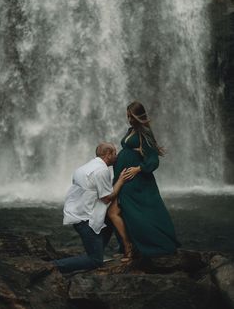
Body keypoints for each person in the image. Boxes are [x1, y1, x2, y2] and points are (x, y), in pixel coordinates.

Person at [109, 101, 180, 260]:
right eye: (127, 115)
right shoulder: (132, 130)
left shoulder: (145, 132)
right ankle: (130, 247)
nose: (128, 119)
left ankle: (140, 247)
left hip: (136, 180)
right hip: (124, 179)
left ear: (138, 115)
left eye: (131, 116)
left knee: (132, 212)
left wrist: (138, 168)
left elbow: (153, 159)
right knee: (123, 211)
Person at [53, 142, 131, 273]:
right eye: (115, 154)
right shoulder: (101, 171)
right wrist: (121, 181)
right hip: (85, 220)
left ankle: (123, 249)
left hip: (77, 213)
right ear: (108, 154)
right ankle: (54, 266)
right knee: (95, 260)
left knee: (112, 219)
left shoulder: (85, 167)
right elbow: (107, 198)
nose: (116, 157)